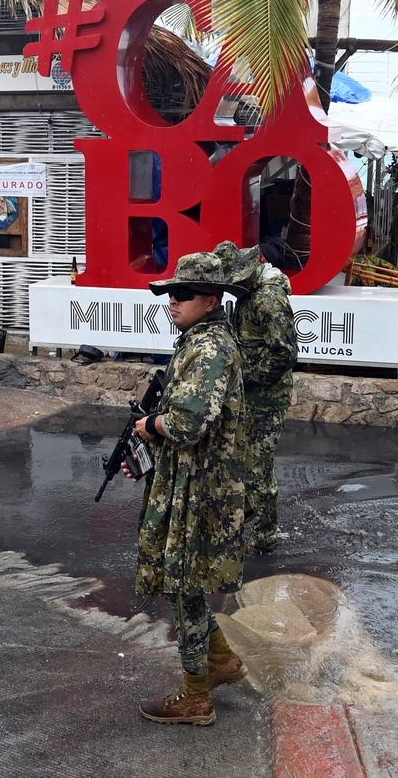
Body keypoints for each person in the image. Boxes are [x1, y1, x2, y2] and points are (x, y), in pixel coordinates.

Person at [132, 252, 248, 726]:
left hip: (201, 491)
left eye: (182, 295)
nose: (172, 302)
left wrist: (150, 426)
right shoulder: (197, 340)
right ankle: (219, 662)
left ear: (211, 299)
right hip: (187, 481)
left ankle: (197, 695)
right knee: (187, 584)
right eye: (169, 294)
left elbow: (187, 422)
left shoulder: (210, 349)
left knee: (184, 585)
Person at [214, 237, 297, 554]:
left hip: (267, 399)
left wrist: (245, 378)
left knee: (257, 468)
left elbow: (285, 353)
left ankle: (265, 538)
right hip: (251, 396)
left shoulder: (267, 300)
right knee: (243, 461)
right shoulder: (250, 296)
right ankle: (247, 517)